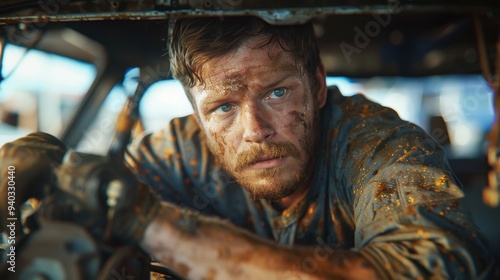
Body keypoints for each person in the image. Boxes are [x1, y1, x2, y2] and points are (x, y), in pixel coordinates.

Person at [0, 16, 495, 279]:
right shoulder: (178, 152)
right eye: (223, 109)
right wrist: (27, 183)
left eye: (277, 92)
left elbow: (428, 273)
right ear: (197, 116)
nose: (255, 129)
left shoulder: (381, 148)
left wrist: (152, 225)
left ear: (318, 87)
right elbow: (97, 202)